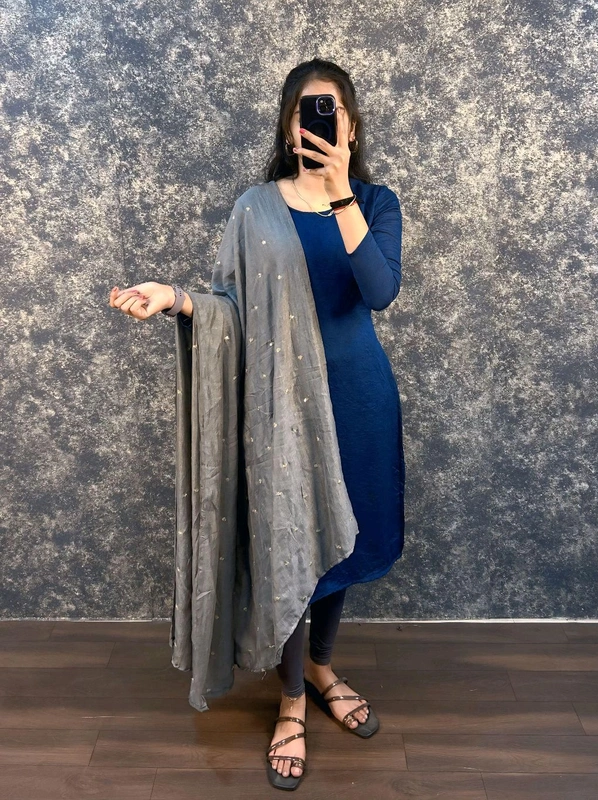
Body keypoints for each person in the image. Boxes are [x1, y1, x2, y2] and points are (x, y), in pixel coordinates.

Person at [109, 58, 405, 792]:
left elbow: (379, 291)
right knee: (291, 542)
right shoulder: (254, 209)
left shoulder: (375, 202)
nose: (317, 122)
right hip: (283, 408)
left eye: (331, 110)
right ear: (286, 124)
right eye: (305, 110)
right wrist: (179, 299)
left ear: (352, 125)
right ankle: (294, 699)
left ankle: (322, 666)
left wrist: (340, 191)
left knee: (341, 545)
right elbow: (233, 306)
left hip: (359, 401)